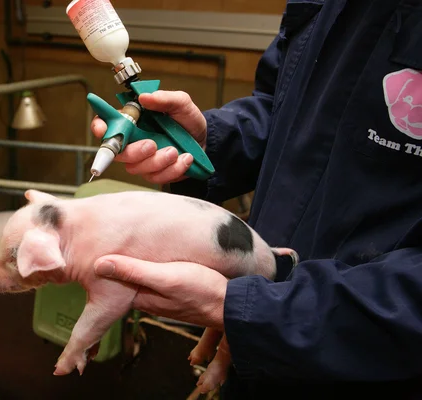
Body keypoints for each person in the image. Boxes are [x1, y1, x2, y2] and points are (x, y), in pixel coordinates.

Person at [90, 1, 422, 399]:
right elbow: (284, 105)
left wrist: (256, 307)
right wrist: (208, 141)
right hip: (259, 342)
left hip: (373, 368)